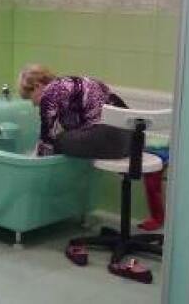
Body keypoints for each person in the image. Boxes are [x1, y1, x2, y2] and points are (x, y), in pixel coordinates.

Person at [18, 64, 165, 231]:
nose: (33, 104)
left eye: (30, 98)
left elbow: (47, 141)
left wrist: (29, 167)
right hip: (133, 141)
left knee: (57, 142)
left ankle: (58, 197)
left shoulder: (51, 93)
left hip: (112, 140)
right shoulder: (75, 83)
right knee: (64, 139)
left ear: (38, 86)